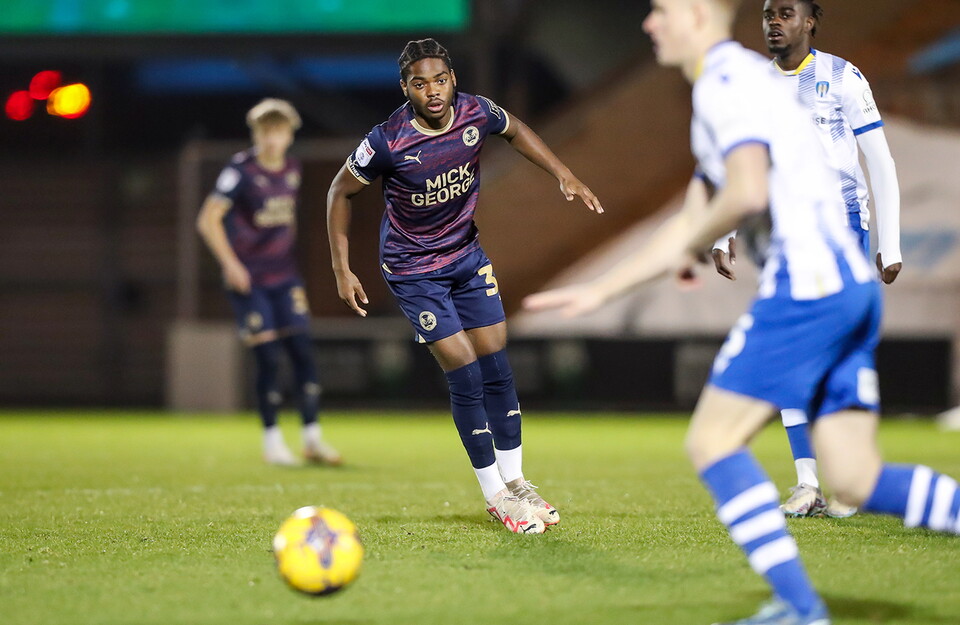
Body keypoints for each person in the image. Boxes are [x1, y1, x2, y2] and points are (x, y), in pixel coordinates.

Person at [525, 1, 960, 623]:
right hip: (846, 288)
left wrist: (607, 287)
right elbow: (701, 206)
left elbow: (746, 189)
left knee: (712, 442)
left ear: (699, 15)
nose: (649, 24)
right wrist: (681, 251)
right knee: (857, 478)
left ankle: (799, 607)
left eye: (660, 11)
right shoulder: (744, 80)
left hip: (806, 289)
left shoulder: (726, 81)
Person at [326, 39, 603, 534]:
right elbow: (338, 191)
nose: (432, 91)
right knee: (466, 373)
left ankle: (518, 484)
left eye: (439, 80)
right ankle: (494, 494)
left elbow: (516, 131)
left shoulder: (476, 112)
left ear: (452, 78)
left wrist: (564, 175)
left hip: (467, 257)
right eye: (419, 83)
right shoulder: (387, 140)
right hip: (414, 270)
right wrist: (342, 268)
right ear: (405, 89)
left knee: (498, 366)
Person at [711, 0, 904, 519]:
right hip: (779, 235)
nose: (774, 22)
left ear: (811, 21)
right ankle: (808, 482)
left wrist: (891, 242)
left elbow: (879, 161)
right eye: (768, 14)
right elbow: (743, 167)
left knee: (836, 355)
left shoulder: (843, 76)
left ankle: (850, 475)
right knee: (793, 353)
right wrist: (724, 232)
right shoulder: (753, 84)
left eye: (786, 13)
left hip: (840, 228)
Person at [196, 98, 341, 467]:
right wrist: (231, 265)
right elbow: (208, 219)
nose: (272, 139)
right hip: (251, 280)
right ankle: (272, 442)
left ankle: (312, 439)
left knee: (303, 354)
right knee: (268, 359)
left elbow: (286, 220)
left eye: (278, 131)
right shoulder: (239, 171)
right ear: (256, 134)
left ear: (290, 134)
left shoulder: (292, 168)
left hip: (284, 277)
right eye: (265, 131)